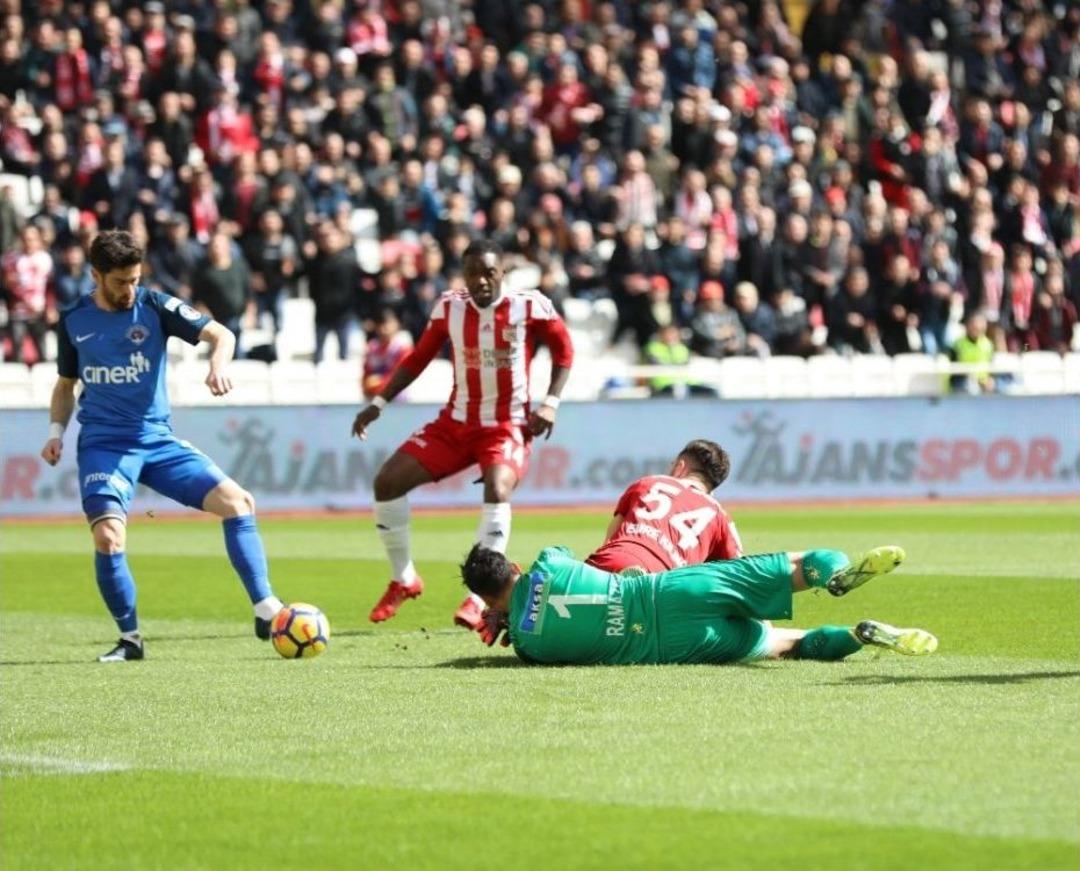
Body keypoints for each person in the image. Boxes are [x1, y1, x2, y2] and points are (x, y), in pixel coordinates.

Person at [39, 230, 285, 662]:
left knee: (238, 502)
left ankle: (266, 609)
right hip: (105, 445)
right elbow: (65, 385)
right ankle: (130, 640)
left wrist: (217, 366)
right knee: (109, 538)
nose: (129, 289)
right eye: (120, 281)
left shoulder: (155, 306)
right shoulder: (74, 319)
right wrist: (57, 433)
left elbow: (222, 335)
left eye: (135, 279)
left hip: (156, 439)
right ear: (96, 275)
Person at [351, 240, 574, 630]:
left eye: (489, 273)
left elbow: (564, 351)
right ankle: (404, 579)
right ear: (464, 274)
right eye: (473, 273)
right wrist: (379, 402)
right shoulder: (449, 307)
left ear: (501, 272)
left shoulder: (529, 306)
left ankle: (476, 598)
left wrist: (551, 402)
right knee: (386, 482)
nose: (481, 281)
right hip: (456, 422)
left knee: (498, 488)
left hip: (506, 425)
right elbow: (418, 357)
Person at [460, 543, 938, 665]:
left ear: (486, 599)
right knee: (798, 565)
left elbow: (528, 624)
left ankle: (858, 635)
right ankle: (835, 579)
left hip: (670, 644)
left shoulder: (527, 646)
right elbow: (575, 566)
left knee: (786, 644)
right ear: (513, 565)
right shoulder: (545, 562)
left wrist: (508, 619)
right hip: (666, 591)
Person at [588, 440, 742, 576]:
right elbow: (737, 572)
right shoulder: (719, 514)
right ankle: (640, 587)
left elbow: (610, 537)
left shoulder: (648, 482)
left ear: (680, 467)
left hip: (613, 558)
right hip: (663, 580)